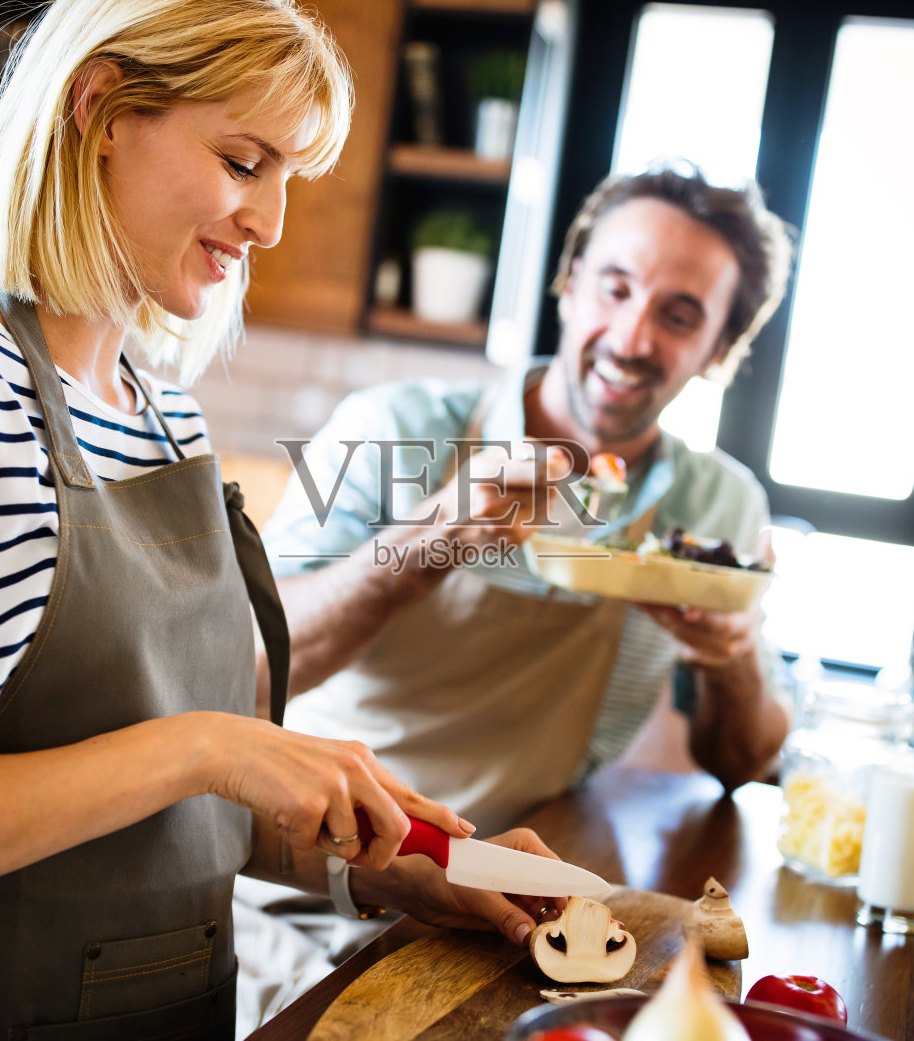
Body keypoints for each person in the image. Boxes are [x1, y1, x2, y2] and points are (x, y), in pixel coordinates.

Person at [0, 0, 566, 1038]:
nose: (269, 220)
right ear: (98, 109)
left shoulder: (164, 418)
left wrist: (414, 868)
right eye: (243, 162)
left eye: (288, 179)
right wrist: (207, 744)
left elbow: (168, 819)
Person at [264, 163, 797, 837]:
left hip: (524, 877)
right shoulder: (389, 428)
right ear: (569, 285)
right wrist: (429, 537)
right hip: (322, 864)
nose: (632, 339)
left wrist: (734, 651)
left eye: (680, 316)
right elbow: (255, 663)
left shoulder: (719, 504)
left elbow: (744, 762)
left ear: (720, 350)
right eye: (616, 288)